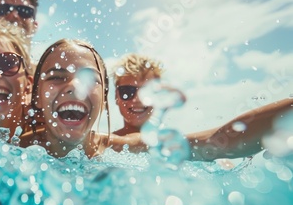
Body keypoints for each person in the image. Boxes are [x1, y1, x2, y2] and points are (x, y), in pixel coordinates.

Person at [111, 53, 293, 161]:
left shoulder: (179, 144)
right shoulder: (102, 144)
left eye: (147, 92)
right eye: (127, 92)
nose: (138, 100)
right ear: (115, 97)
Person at [20, 39, 113, 157]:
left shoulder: (121, 151)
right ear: (37, 96)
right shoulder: (13, 151)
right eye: (57, 77)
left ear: (103, 100)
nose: (75, 87)